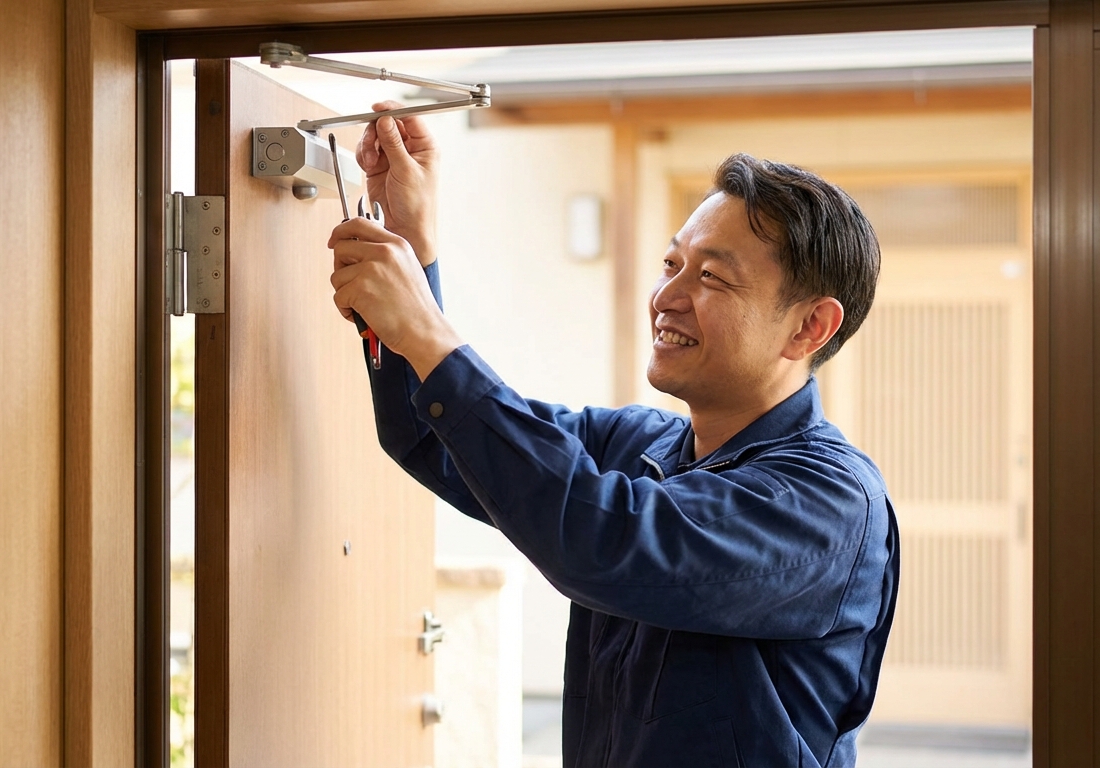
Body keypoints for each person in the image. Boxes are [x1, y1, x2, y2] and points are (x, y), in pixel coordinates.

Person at [329, 102, 899, 768]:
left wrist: (426, 330)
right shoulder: (639, 447)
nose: (668, 295)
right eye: (671, 263)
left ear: (808, 329)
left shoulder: (828, 500)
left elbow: (603, 539)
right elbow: (437, 440)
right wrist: (412, 246)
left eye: (712, 276)